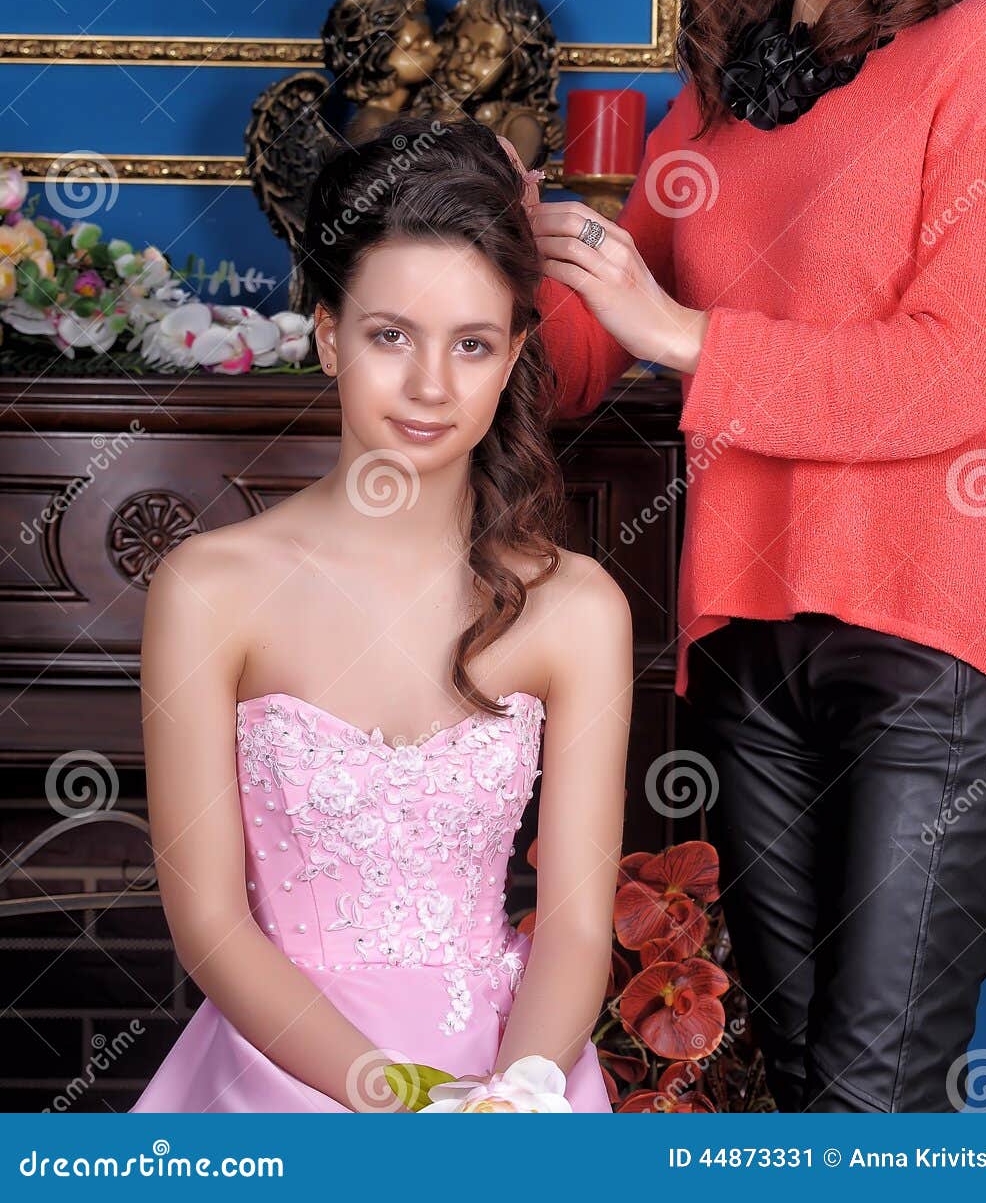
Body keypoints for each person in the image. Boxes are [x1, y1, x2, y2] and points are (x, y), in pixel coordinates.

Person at [506, 0, 986, 1113]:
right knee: (794, 1086)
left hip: (934, 640)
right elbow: (572, 370)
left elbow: (948, 376)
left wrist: (683, 332)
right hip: (743, 647)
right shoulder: (707, 111)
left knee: (872, 1094)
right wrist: (498, 243)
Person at [131, 119, 630, 1113]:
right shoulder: (208, 589)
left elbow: (575, 926)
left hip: (513, 1073)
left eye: (474, 343)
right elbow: (210, 924)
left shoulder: (577, 608)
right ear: (327, 332)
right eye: (390, 334)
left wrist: (516, 1095)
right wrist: (397, 1099)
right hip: (288, 1073)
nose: (431, 385)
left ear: (513, 353)